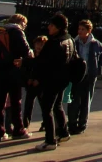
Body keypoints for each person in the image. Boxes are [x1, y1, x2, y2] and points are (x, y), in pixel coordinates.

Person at [33, 13, 74, 152]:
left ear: (58, 27)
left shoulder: (54, 42)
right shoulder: (69, 39)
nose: (49, 27)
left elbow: (43, 62)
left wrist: (27, 63)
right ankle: (63, 132)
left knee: (47, 108)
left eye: (51, 25)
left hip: (52, 79)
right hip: (63, 78)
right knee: (57, 105)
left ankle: (50, 140)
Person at [0, 13, 32, 141]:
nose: (25, 26)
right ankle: (18, 130)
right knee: (15, 102)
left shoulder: (1, 31)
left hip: (0, 71)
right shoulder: (17, 32)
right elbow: (26, 51)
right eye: (24, 24)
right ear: (20, 22)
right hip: (13, 71)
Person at [68, 19, 102, 135]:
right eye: (79, 29)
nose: (80, 31)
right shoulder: (74, 42)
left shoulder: (96, 45)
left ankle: (82, 123)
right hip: (77, 76)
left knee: (86, 100)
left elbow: (101, 59)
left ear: (89, 31)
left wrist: (97, 71)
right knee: (74, 100)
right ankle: (72, 123)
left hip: (89, 76)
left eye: (82, 29)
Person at [22, 35, 48, 130]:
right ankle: (25, 124)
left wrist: (39, 80)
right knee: (28, 105)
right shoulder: (31, 55)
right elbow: (26, 69)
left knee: (44, 106)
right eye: (37, 44)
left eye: (41, 44)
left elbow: (45, 71)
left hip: (41, 85)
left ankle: (45, 123)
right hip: (30, 84)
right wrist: (28, 79)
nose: (39, 46)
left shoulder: (46, 57)